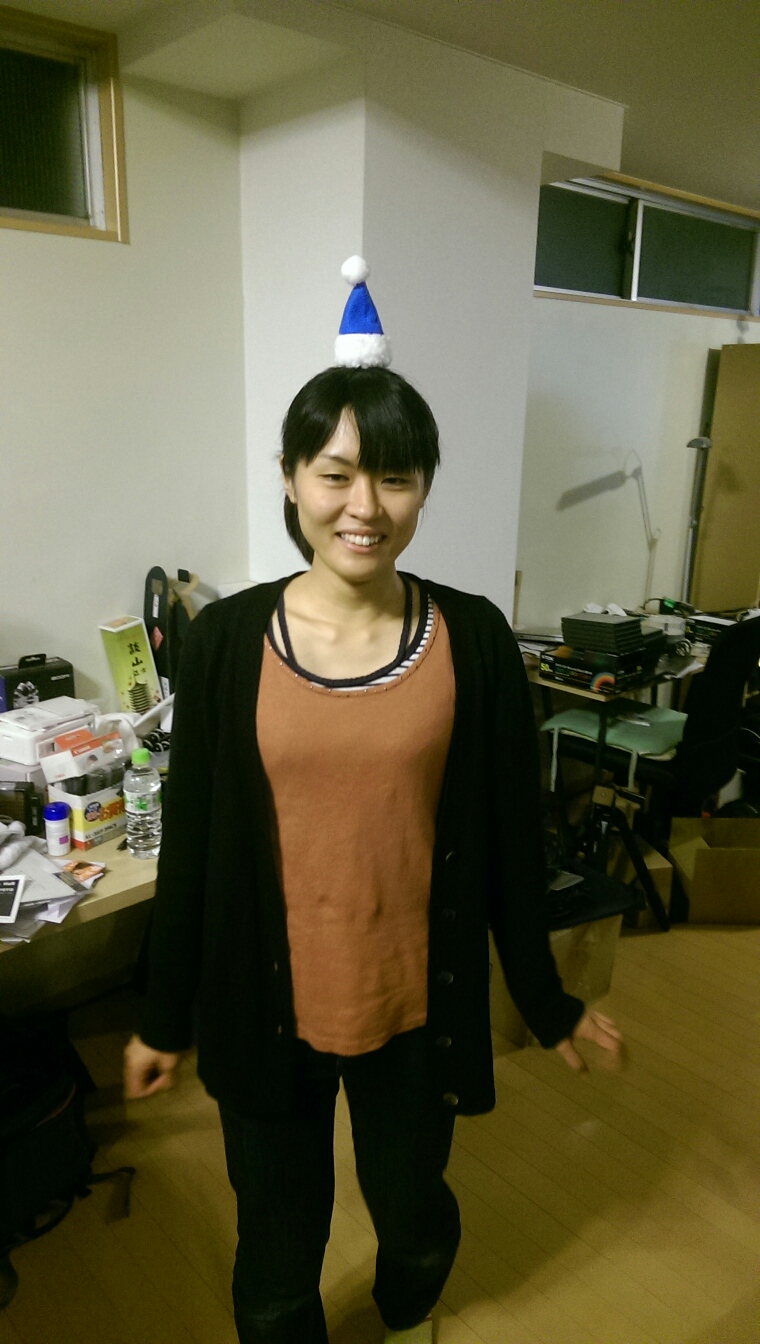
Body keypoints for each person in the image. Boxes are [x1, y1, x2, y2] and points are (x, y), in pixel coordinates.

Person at [124, 261, 623, 1344]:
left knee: (411, 1207)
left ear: (423, 488)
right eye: (337, 474)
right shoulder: (225, 642)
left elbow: (511, 839)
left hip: (414, 1003)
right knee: (277, 1236)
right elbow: (192, 846)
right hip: (267, 1006)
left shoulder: (473, 638)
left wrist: (544, 997)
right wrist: (162, 1018)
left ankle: (407, 1311)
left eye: (394, 478)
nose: (365, 507)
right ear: (291, 477)